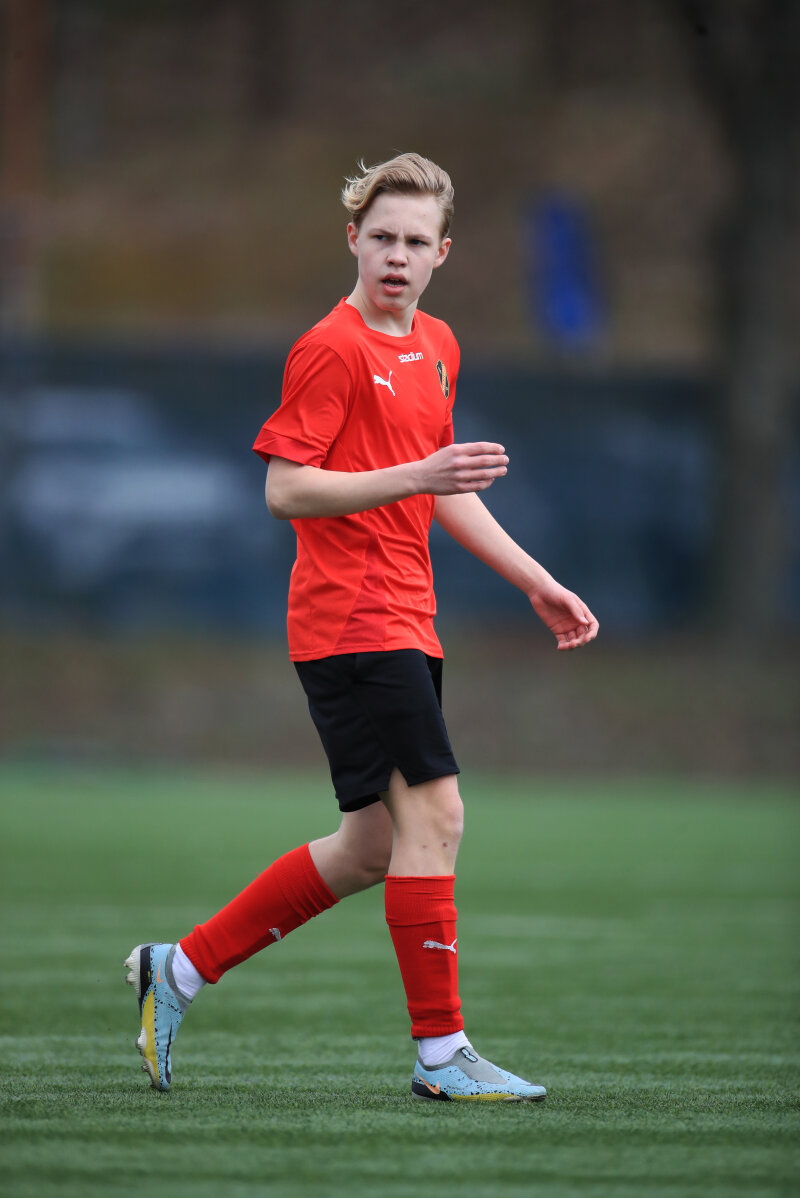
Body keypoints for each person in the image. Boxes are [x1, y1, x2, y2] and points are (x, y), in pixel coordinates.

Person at [124, 152, 598, 1103]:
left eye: (416, 241)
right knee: (439, 815)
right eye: (381, 237)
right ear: (353, 239)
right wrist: (417, 476)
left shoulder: (439, 345)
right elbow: (285, 489)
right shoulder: (331, 349)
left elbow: (442, 489)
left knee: (374, 847)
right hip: (352, 621)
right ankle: (441, 1054)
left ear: (442, 253)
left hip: (406, 619)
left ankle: (177, 969)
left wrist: (536, 580)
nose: (396, 256)